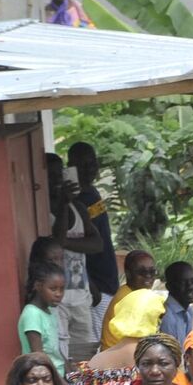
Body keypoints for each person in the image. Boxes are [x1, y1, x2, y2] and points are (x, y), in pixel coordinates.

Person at [44, 154, 99, 362]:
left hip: (80, 295)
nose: (58, 179)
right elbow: (58, 238)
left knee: (85, 354)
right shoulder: (41, 210)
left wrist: (65, 244)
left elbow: (97, 244)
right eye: (52, 175)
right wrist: (64, 204)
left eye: (60, 173)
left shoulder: (79, 208)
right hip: (57, 298)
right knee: (61, 354)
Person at [65, 143, 119, 346]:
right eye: (83, 164)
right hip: (96, 288)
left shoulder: (91, 192)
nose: (90, 169)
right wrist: (90, 285)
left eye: (92, 163)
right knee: (100, 347)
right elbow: (72, 249)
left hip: (108, 283)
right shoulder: (74, 200)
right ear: (71, 166)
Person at [99, 251, 160, 349]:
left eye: (152, 271)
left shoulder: (131, 292)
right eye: (142, 272)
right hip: (117, 359)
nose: (148, 275)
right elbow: (137, 342)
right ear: (128, 273)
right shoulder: (128, 299)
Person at [18, 261, 66, 374]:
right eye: (53, 289)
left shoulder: (48, 312)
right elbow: (39, 357)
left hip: (57, 376)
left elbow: (55, 351)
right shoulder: (32, 314)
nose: (58, 294)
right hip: (45, 378)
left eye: (62, 289)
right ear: (38, 286)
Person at [158, 262, 193, 340]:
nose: (190, 287)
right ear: (169, 287)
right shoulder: (167, 318)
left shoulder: (189, 311)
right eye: (183, 283)